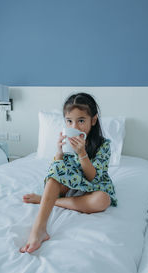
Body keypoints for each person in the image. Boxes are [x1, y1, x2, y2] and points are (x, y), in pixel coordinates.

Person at [19, 92, 117, 254]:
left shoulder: (103, 145)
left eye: (81, 121)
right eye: (69, 121)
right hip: (70, 184)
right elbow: (56, 170)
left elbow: (94, 177)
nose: (74, 127)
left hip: (92, 184)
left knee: (103, 200)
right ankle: (39, 229)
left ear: (93, 120)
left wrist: (82, 153)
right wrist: (59, 152)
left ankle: (44, 199)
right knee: (56, 170)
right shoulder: (67, 140)